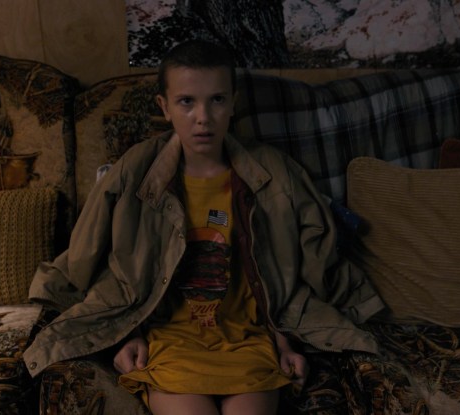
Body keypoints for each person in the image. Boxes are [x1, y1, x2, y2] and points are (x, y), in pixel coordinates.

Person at [23, 39, 384, 415]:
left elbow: (291, 270)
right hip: (170, 342)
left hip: (247, 341)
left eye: (217, 100)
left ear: (233, 103)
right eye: (186, 102)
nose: (203, 117)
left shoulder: (273, 171)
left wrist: (284, 340)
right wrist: (129, 333)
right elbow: (102, 261)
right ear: (164, 107)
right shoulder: (134, 170)